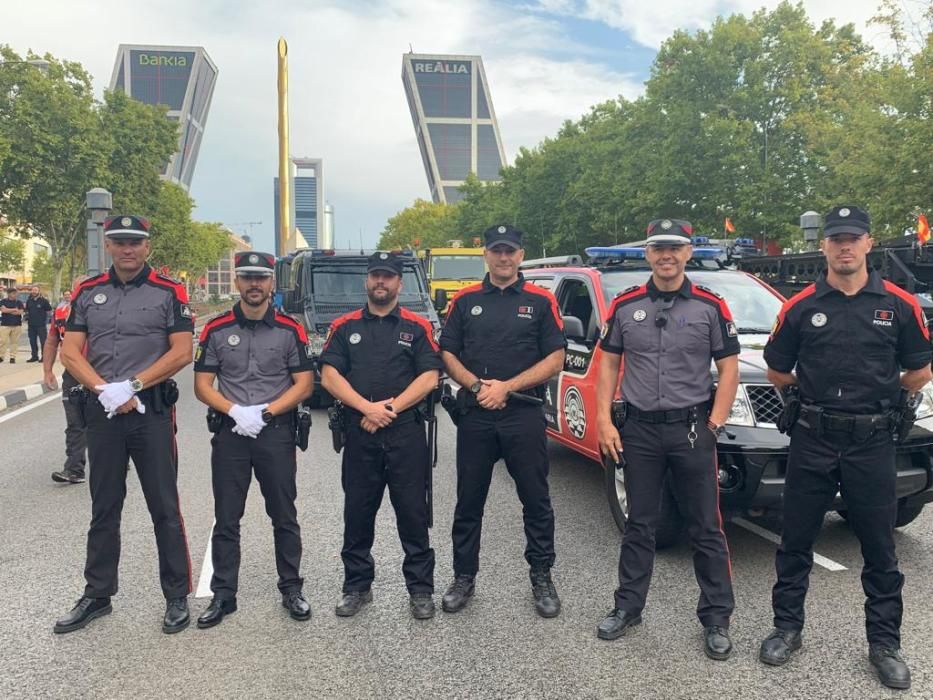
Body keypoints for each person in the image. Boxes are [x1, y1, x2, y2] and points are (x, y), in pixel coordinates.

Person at [759, 205, 932, 690]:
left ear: (869, 243)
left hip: (873, 443)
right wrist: (801, 402)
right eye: (836, 238)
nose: (844, 246)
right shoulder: (799, 307)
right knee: (795, 541)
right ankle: (786, 628)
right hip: (813, 439)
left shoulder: (899, 304)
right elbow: (776, 369)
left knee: (879, 547)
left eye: (853, 238)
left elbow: (920, 368)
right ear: (824, 246)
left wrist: (892, 401)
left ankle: (884, 643)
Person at [594, 218, 740, 659]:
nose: (666, 256)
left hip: (692, 428)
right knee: (640, 524)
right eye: (658, 248)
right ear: (647, 253)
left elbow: (729, 368)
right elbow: (608, 365)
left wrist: (714, 423)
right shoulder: (625, 305)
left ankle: (716, 618)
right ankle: (628, 608)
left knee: (705, 526)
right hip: (638, 430)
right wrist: (604, 420)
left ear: (688, 252)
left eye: (675, 248)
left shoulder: (711, 307)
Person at [55, 214, 194, 635]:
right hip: (104, 411)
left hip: (150, 410)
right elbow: (70, 351)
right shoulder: (87, 291)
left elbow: (183, 351)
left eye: (135, 242)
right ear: (109, 245)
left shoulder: (169, 292)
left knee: (164, 507)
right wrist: (104, 390)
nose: (127, 249)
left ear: (147, 247)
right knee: (104, 506)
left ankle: (176, 596)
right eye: (119, 242)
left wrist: (131, 385)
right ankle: (98, 594)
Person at [439, 225, 566, 618]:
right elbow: (447, 353)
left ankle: (542, 575)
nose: (504, 258)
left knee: (536, 500)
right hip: (476, 415)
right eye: (497, 251)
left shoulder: (541, 301)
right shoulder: (465, 300)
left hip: (523, 413)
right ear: (486, 255)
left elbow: (556, 359)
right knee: (469, 501)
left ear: (521, 254)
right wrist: (478, 386)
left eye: (510, 251)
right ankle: (463, 577)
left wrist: (506, 387)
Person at [193, 251, 314, 628]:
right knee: (227, 517)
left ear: (271, 283)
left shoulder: (290, 330)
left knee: (283, 514)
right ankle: (223, 595)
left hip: (274, 432)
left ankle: (291, 588)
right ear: (236, 282)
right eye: (246, 277)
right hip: (231, 433)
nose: (254, 284)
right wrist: (234, 411)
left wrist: (265, 412)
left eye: (261, 278)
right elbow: (201, 384)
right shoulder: (215, 329)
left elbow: (305, 383)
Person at [318, 251, 442, 619]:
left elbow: (429, 376)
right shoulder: (344, 326)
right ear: (367, 281)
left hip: (405, 432)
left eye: (388, 277)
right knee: (358, 513)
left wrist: (389, 409)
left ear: (399, 284)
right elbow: (329, 375)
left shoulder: (417, 327)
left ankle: (420, 589)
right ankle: (357, 586)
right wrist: (365, 408)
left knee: (412, 514)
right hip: (360, 432)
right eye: (375, 276)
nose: (381, 282)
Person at [44, 277, 90, 484]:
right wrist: (47, 371)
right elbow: (52, 340)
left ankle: (117, 457)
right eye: (77, 289)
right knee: (75, 423)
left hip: (103, 372)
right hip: (72, 373)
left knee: (107, 420)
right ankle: (74, 469)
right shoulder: (61, 312)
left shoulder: (106, 310)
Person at [25, 285, 52, 362]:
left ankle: (44, 357)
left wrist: (46, 321)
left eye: (36, 290)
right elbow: (27, 311)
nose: (34, 291)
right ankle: (34, 356)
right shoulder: (29, 300)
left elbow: (49, 311)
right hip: (31, 325)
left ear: (39, 291)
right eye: (33, 290)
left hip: (41, 325)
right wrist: (26, 318)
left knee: (43, 342)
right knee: (32, 341)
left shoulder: (44, 301)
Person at [0, 287, 25, 363]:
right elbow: (3, 310)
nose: (15, 295)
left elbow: (20, 312)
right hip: (5, 324)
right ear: (9, 294)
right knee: (3, 341)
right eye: (14, 293)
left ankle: (12, 357)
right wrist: (14, 309)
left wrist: (8, 310)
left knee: (14, 342)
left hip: (17, 325)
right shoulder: (3, 301)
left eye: (16, 293)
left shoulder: (19, 302)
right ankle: (1, 356)